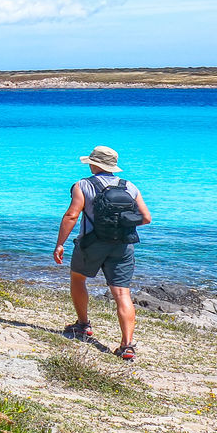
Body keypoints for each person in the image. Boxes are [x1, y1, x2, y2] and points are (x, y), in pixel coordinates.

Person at [53, 145, 153, 361]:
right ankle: (127, 346)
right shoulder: (130, 187)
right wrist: (121, 224)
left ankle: (83, 325)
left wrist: (60, 244)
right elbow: (146, 218)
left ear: (94, 164)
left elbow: (72, 215)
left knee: (78, 279)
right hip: (123, 245)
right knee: (122, 293)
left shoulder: (83, 185)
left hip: (91, 244)